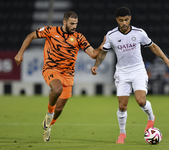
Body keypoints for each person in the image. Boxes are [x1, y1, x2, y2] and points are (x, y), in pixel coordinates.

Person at [91, 7, 169, 144]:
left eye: (126, 20)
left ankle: (151, 117)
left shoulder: (139, 33)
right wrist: (96, 65)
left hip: (138, 70)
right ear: (117, 20)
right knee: (122, 106)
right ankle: (122, 134)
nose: (124, 23)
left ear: (130, 18)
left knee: (141, 101)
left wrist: (168, 62)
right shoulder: (111, 35)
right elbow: (103, 52)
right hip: (122, 72)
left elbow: (153, 46)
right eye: (121, 20)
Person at [14, 11, 105, 142]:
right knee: (57, 89)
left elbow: (92, 54)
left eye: (76, 24)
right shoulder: (50, 30)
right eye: (72, 23)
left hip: (68, 75)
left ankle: (48, 126)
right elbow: (31, 36)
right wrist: (20, 53)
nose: (74, 26)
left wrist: (100, 48)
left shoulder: (79, 37)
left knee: (60, 108)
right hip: (51, 69)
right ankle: (49, 114)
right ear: (64, 22)